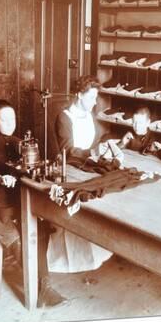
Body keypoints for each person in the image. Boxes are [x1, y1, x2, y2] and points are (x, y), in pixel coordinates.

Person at [0, 100, 67, 307]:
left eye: (12, 118)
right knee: (18, 236)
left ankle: (44, 285)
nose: (9, 123)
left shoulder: (20, 143)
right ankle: (41, 288)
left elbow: (31, 167)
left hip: (15, 200)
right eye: (4, 119)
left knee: (40, 228)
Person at [52, 76, 114, 274]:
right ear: (79, 95)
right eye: (92, 97)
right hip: (70, 168)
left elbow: (93, 140)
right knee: (77, 208)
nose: (95, 102)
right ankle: (70, 259)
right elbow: (68, 149)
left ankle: (94, 253)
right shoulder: (64, 117)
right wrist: (92, 153)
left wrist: (105, 146)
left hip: (87, 166)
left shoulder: (88, 114)